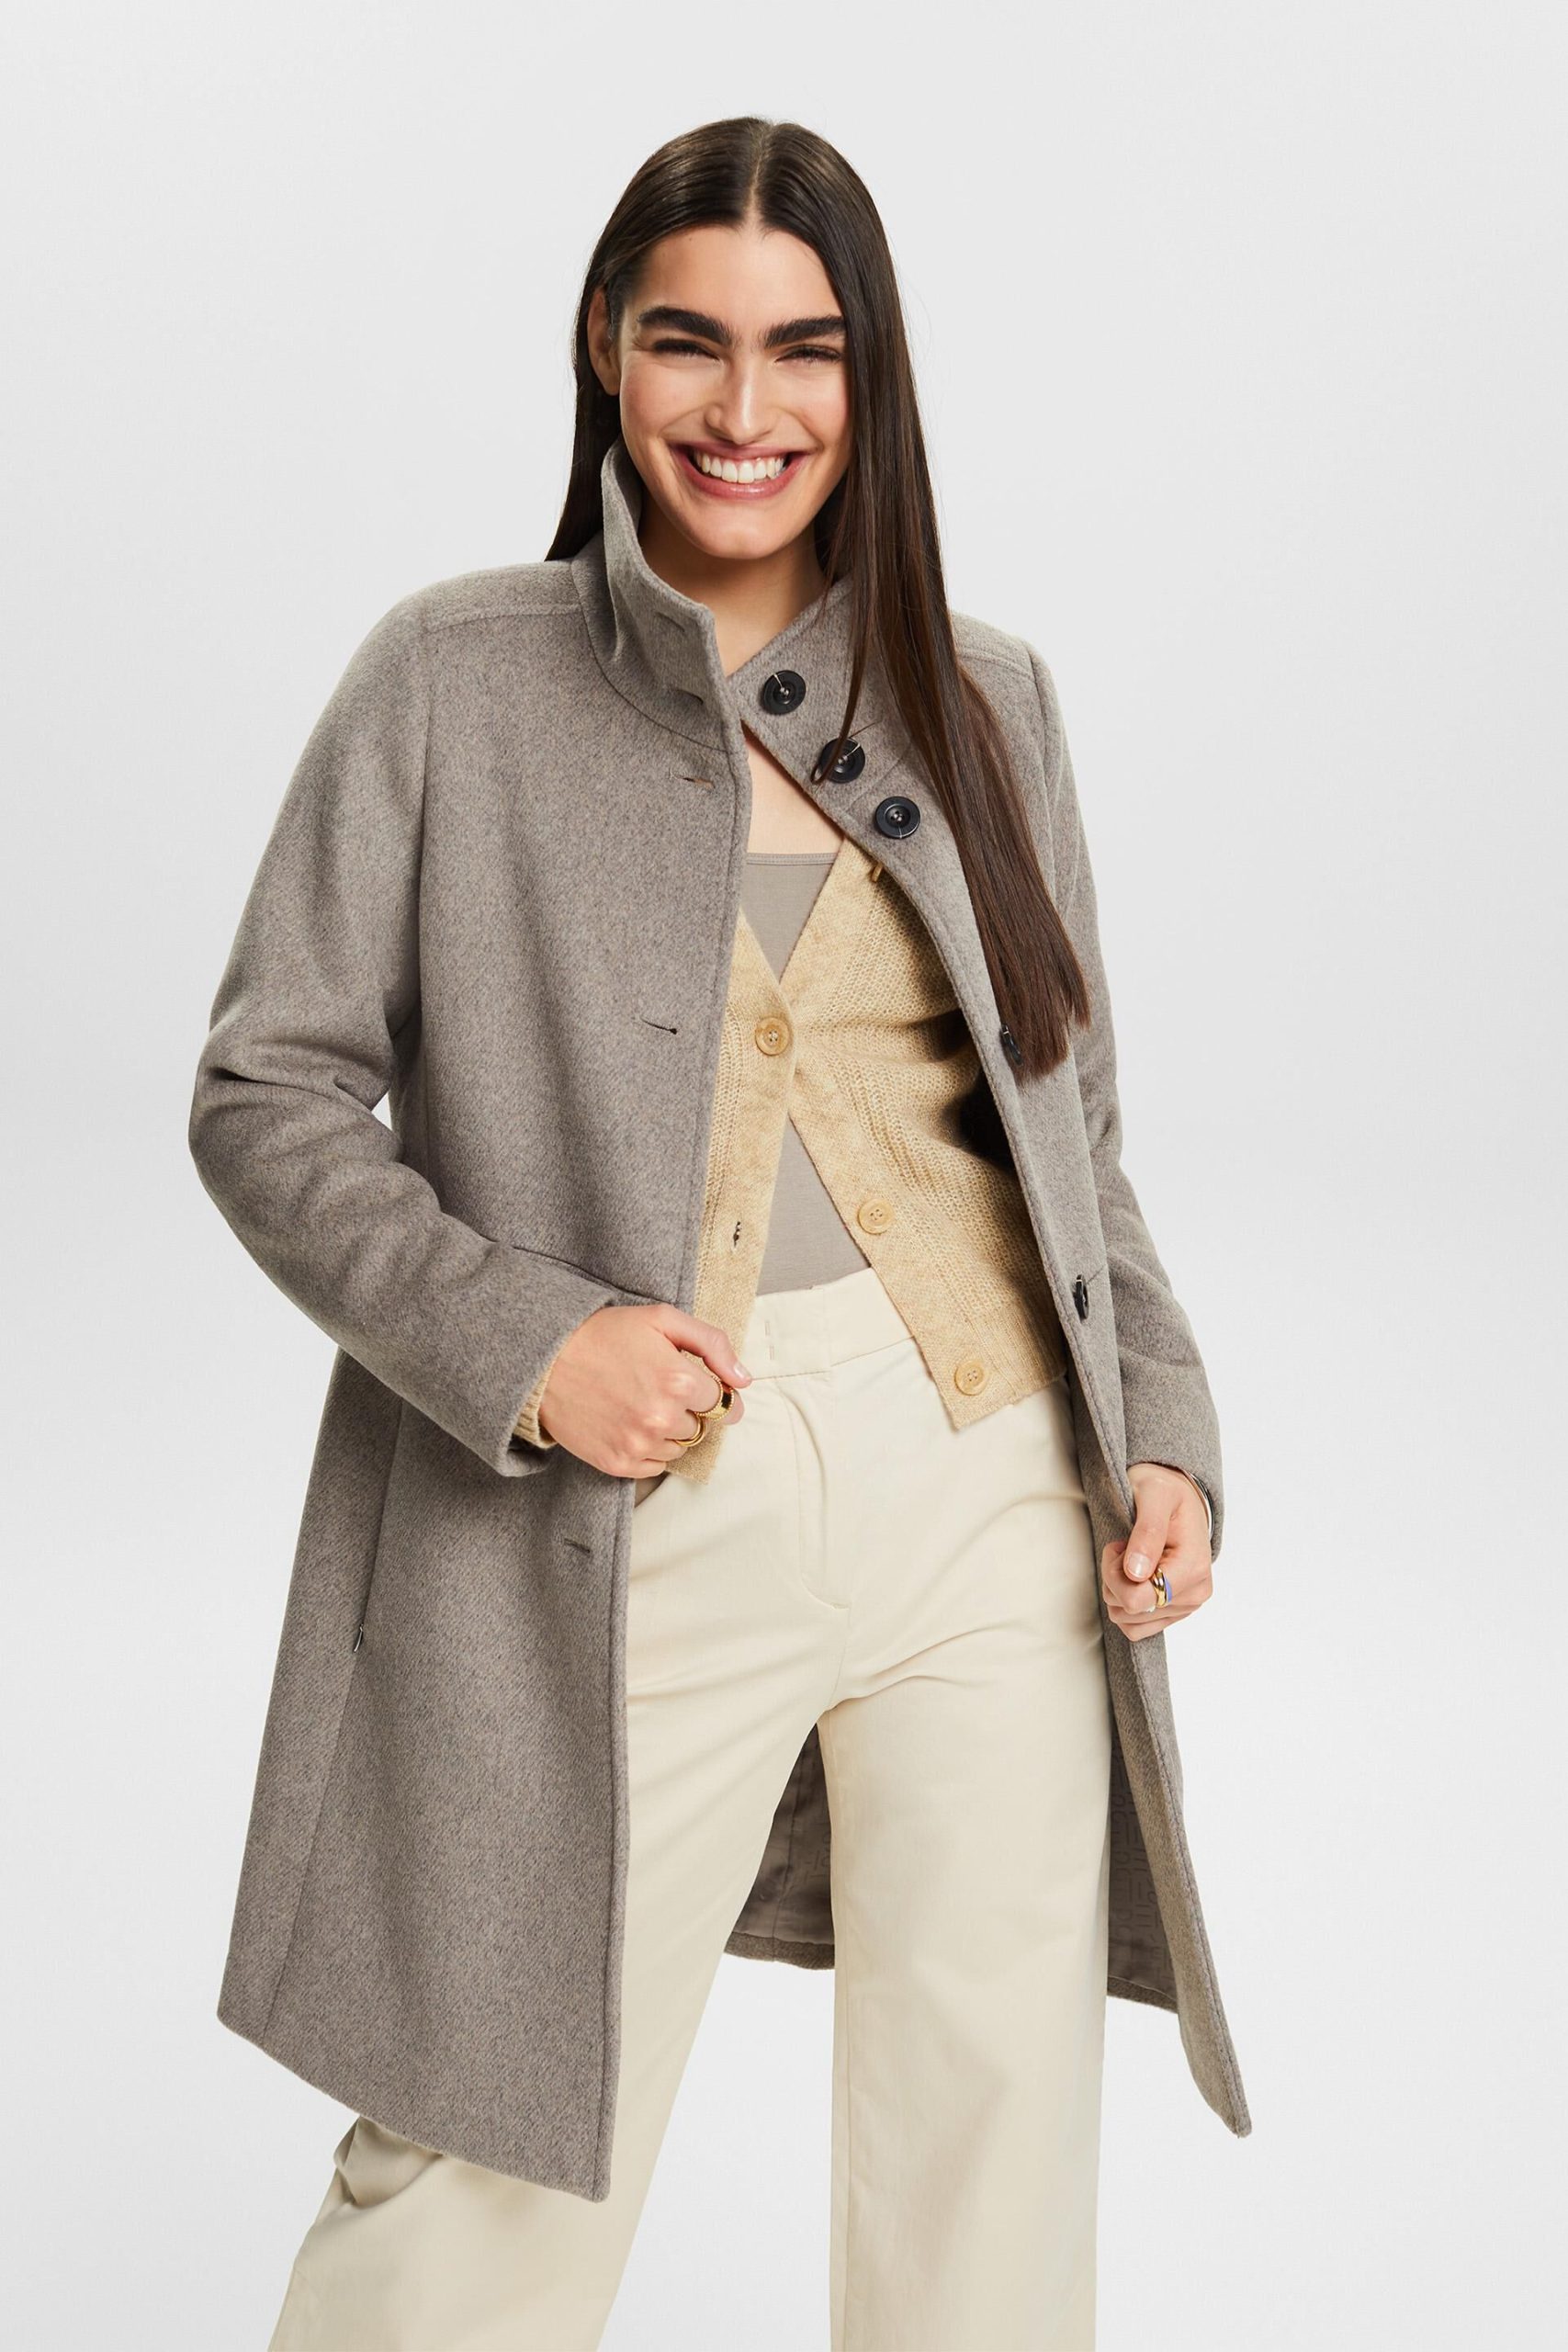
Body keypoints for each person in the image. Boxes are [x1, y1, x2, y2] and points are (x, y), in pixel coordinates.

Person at [194, 114, 1244, 2352]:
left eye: (804, 351)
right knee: (480, 2161)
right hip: (613, 1501)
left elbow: (1070, 1127)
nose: (743, 408)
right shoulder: (451, 678)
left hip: (985, 1494)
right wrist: (520, 1337)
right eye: (689, 341)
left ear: (869, 380)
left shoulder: (988, 696)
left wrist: (1155, 1416)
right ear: (604, 345)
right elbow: (264, 1092)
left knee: (988, 2149)